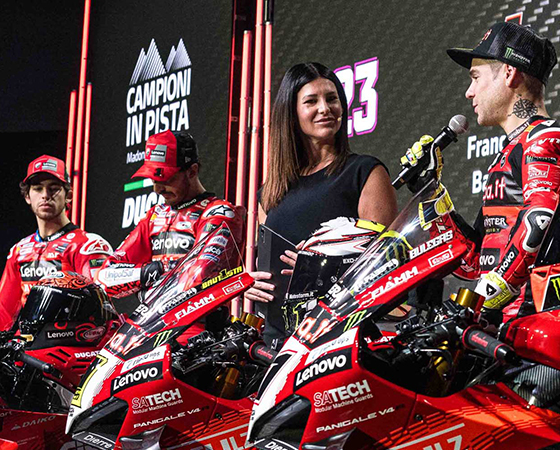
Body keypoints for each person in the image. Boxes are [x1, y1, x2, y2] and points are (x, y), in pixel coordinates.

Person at [401, 20, 560, 315]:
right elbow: (476, 260)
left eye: (475, 77)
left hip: (534, 324)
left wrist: (480, 301)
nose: (469, 92)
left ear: (509, 73)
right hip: (501, 326)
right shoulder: (511, 150)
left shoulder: (546, 136)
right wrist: (431, 192)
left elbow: (539, 219)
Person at [248, 62, 397, 338]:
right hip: (278, 341)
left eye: (332, 99)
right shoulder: (269, 192)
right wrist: (253, 285)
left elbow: (386, 267)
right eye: (311, 101)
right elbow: (267, 270)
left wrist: (322, 271)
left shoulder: (364, 173)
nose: (325, 109)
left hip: (340, 337)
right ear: (291, 115)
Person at [98, 131, 244, 298]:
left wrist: (152, 276)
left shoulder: (219, 213)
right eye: (154, 180)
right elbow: (104, 278)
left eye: (165, 179)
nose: (157, 189)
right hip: (151, 322)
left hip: (200, 323)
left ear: (192, 171)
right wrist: (149, 272)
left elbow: (199, 278)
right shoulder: (154, 216)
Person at [0, 156, 113, 330]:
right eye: (38, 189)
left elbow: (101, 308)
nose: (45, 195)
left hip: (73, 344)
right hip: (26, 348)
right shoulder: (19, 250)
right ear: (27, 196)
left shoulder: (87, 245)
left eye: (53, 189)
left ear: (68, 195)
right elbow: (3, 311)